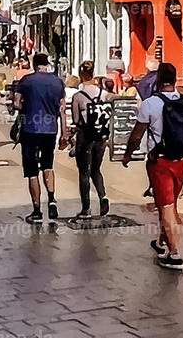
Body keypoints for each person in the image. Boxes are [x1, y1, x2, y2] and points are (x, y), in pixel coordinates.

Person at [122, 62, 183, 271]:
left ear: (157, 80)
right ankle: (160, 243)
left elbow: (137, 134)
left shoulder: (150, 104)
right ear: (175, 80)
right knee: (170, 204)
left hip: (160, 162)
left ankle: (174, 254)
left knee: (166, 207)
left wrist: (127, 155)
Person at [14, 52, 68, 224]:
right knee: (48, 164)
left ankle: (37, 210)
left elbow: (16, 103)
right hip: (50, 129)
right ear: (47, 64)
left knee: (31, 171)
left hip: (30, 128)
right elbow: (62, 108)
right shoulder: (58, 82)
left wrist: (25, 107)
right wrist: (65, 133)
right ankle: (51, 199)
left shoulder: (26, 81)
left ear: (34, 64)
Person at [70, 61, 111, 222]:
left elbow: (76, 120)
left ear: (81, 75)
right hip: (101, 137)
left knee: (84, 173)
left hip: (85, 137)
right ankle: (103, 197)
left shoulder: (78, 97)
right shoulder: (103, 94)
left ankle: (86, 208)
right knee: (96, 169)